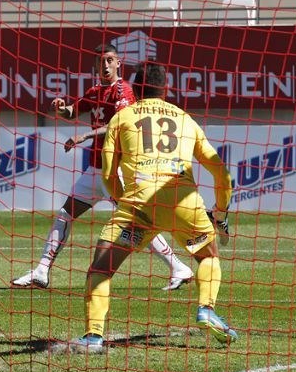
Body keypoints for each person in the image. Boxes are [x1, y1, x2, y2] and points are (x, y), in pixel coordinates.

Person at [65, 62, 236, 353]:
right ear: (165, 89)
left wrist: (123, 202)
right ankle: (206, 309)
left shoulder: (121, 118)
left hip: (138, 204)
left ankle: (93, 336)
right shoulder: (185, 118)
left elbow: (108, 174)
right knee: (209, 256)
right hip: (183, 201)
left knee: (101, 269)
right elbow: (220, 172)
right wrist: (220, 212)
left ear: (137, 89)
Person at [12, 43, 193, 291]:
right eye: (100, 61)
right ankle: (41, 272)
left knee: (136, 222)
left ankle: (178, 267)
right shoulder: (96, 90)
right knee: (65, 215)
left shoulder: (125, 92)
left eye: (109, 60)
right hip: (96, 171)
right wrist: (61, 108)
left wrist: (84, 136)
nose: (105, 65)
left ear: (119, 63)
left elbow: (118, 126)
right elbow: (74, 111)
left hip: (116, 171)